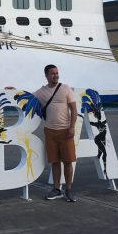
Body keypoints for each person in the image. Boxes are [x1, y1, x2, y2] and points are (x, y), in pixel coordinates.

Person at [35, 64, 78, 202]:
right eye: (52, 73)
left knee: (68, 161)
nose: (56, 75)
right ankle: (56, 189)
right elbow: (28, 97)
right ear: (46, 75)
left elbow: (74, 109)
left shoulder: (65, 89)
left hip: (65, 131)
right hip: (50, 132)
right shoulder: (42, 92)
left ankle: (69, 190)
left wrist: (72, 127)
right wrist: (13, 91)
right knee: (54, 162)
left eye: (57, 73)